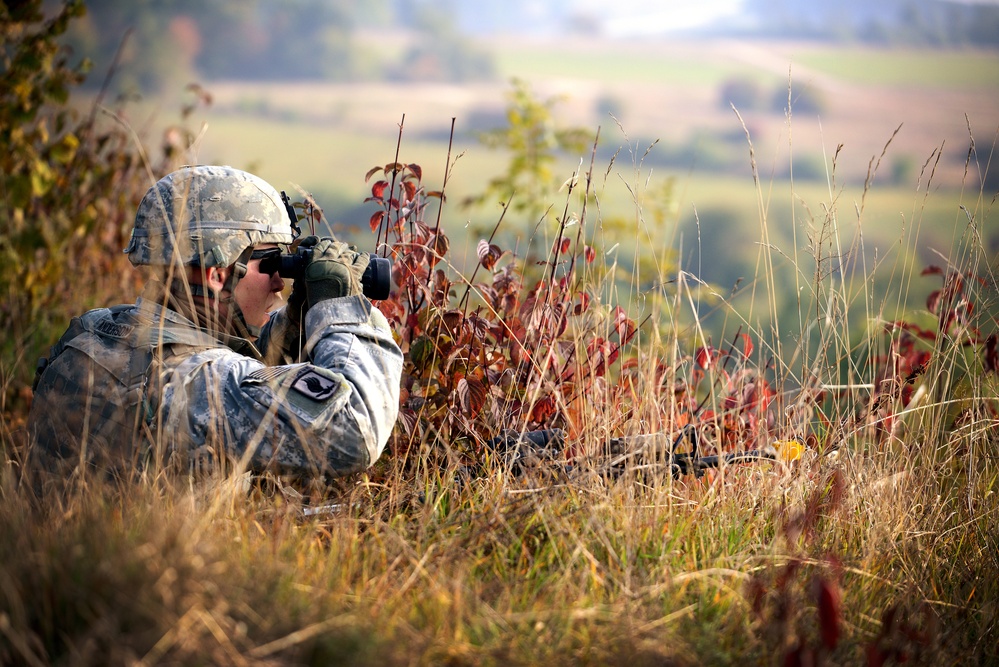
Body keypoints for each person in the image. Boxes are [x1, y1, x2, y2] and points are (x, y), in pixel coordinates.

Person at [27, 165, 402, 482]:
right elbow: (355, 430)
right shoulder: (203, 382)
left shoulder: (95, 331)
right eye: (269, 263)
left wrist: (298, 318)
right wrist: (339, 308)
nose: (279, 282)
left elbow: (246, 370)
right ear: (217, 275)